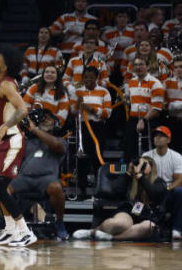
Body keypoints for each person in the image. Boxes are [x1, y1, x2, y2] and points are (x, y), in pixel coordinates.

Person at [0, 46, 36, 247]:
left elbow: (23, 110)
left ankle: (25, 231)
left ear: (5, 66)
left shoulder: (6, 85)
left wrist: (3, 128)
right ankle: (10, 230)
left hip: (11, 140)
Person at [73, 156, 167, 241]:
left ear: (152, 167)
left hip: (148, 216)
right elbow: (116, 190)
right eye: (139, 164)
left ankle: (112, 238)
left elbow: (154, 193)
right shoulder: (130, 179)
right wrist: (128, 172)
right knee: (119, 223)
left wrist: (140, 176)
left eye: (145, 164)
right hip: (129, 212)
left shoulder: (159, 182)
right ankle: (92, 232)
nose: (141, 166)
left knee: (148, 227)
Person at [10, 109, 69, 239]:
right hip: (24, 178)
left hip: (46, 179)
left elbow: (57, 145)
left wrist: (35, 129)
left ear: (56, 123)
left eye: (49, 118)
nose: (45, 121)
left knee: (56, 187)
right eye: (43, 119)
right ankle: (10, 225)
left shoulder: (60, 140)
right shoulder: (27, 141)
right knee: (3, 190)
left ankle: (60, 222)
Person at [70, 67, 112, 198]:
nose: (88, 79)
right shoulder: (77, 92)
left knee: (97, 158)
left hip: (98, 127)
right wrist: (77, 104)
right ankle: (82, 190)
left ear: (97, 78)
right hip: (82, 127)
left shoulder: (104, 92)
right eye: (86, 77)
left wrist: (91, 109)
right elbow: (72, 112)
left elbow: (108, 113)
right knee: (82, 159)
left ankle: (100, 189)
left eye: (92, 77)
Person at [142, 126, 182, 240]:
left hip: (169, 190)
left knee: (181, 192)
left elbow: (179, 179)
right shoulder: (146, 155)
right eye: (155, 136)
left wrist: (167, 188)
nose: (157, 138)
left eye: (161, 136)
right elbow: (142, 176)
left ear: (168, 140)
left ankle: (177, 229)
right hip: (151, 190)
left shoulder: (177, 157)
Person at [123, 57, 165, 161]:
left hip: (149, 121)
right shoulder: (131, 82)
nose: (138, 67)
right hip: (133, 120)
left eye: (141, 64)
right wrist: (127, 101)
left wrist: (143, 120)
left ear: (148, 67)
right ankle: (129, 175)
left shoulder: (156, 83)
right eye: (136, 65)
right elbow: (132, 102)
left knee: (150, 155)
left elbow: (157, 108)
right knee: (128, 152)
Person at [165, 57, 182, 153]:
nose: (178, 69)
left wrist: (174, 105)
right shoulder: (167, 82)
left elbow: (171, 106)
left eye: (181, 66)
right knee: (173, 152)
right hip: (172, 122)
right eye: (176, 67)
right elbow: (163, 104)